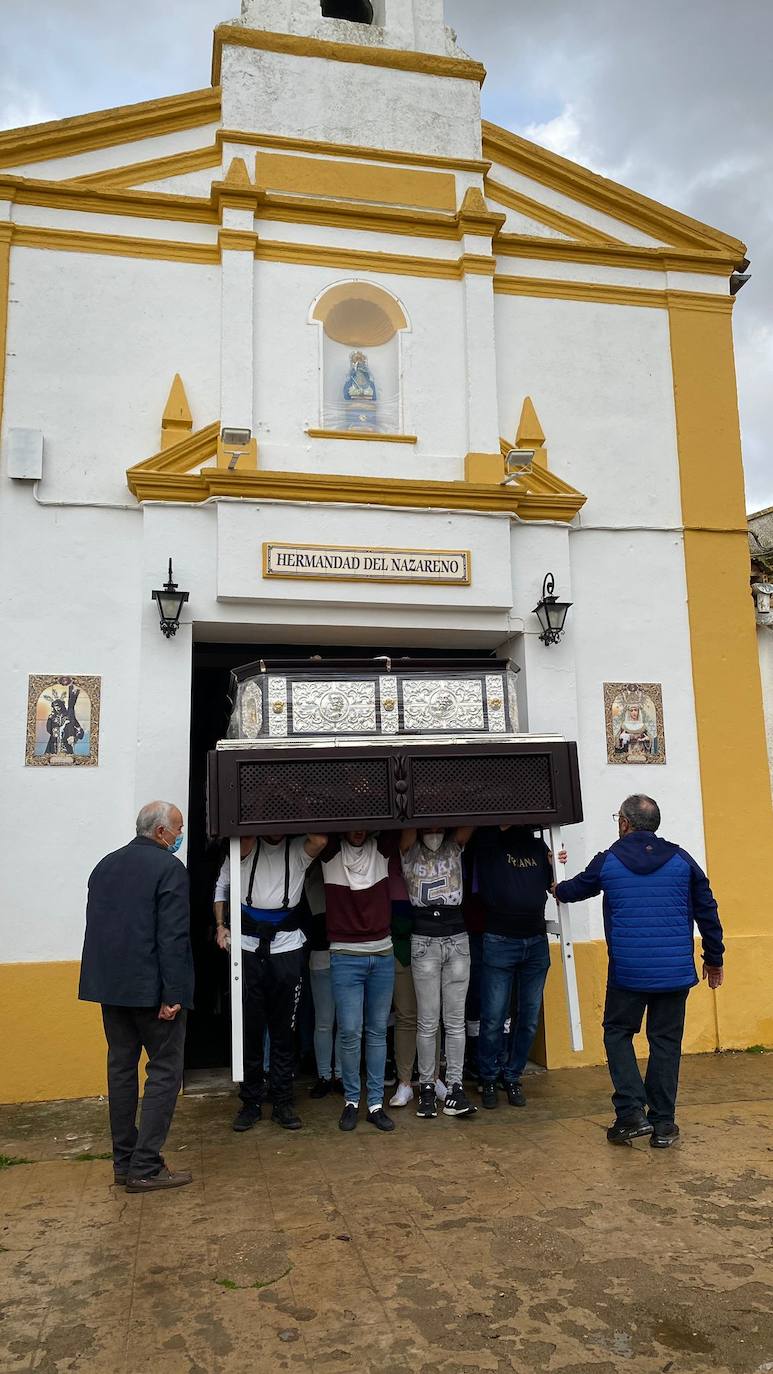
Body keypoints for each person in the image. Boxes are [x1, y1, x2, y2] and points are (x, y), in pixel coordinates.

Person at [554, 794, 724, 1148]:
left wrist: (554, 880)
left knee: (618, 1032)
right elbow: (707, 909)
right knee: (665, 1043)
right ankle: (663, 1125)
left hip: (628, 973)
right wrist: (714, 958)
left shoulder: (609, 861)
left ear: (625, 824)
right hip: (675, 973)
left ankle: (631, 1113)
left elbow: (573, 891)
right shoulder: (682, 860)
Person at [78, 801, 194, 1192]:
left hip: (112, 991)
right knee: (164, 1073)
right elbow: (172, 936)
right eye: (177, 828)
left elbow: (100, 928)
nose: (180, 835)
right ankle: (146, 1166)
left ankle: (124, 1163)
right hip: (154, 994)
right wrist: (173, 993)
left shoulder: (105, 865)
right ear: (160, 832)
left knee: (121, 1072)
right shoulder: (169, 869)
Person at [214, 832, 326, 1131]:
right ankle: (250, 1102)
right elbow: (221, 886)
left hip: (287, 947)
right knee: (250, 1028)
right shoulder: (243, 847)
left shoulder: (299, 849)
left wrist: (293, 807)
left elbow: (320, 840)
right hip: (248, 947)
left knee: (283, 1031)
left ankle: (283, 1102)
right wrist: (220, 926)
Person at [475, 825, 565, 1111]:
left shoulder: (539, 848)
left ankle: (512, 1076)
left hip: (535, 942)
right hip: (500, 940)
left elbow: (556, 889)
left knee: (528, 1017)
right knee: (493, 1016)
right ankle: (488, 1077)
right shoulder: (490, 841)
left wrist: (556, 868)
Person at [320, 831, 396, 1133]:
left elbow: (408, 819)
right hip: (344, 954)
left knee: (377, 1032)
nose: (358, 829)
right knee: (350, 1031)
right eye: (352, 823)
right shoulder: (329, 853)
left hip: (383, 953)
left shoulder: (383, 848)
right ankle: (352, 1101)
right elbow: (315, 828)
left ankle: (375, 1104)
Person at [399, 827, 477, 1119]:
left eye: (437, 825)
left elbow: (467, 821)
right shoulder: (409, 847)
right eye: (427, 826)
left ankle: (455, 1088)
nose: (433, 830)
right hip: (424, 941)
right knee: (428, 1021)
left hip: (456, 937)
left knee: (455, 1022)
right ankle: (428, 1087)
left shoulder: (454, 844)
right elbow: (407, 821)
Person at [304, 860, 343, 1098]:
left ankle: (339, 1075)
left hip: (346, 954)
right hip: (320, 954)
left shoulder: (343, 869)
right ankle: (324, 1075)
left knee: (343, 1022)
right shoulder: (310, 873)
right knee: (325, 1021)